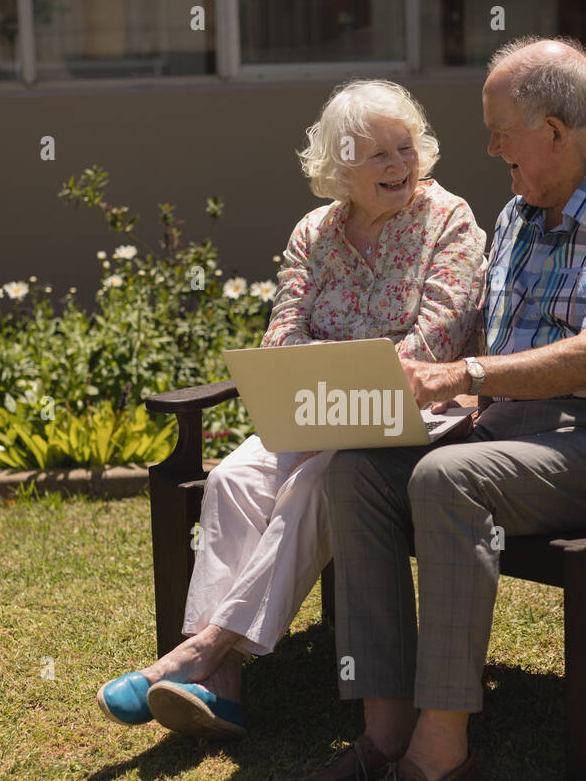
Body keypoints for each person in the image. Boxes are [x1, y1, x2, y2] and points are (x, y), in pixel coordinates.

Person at [289, 37, 586, 781]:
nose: (487, 149)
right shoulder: (519, 212)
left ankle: (441, 754)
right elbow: (478, 334)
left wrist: (468, 377)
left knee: (447, 481)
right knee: (358, 470)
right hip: (510, 431)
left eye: (499, 131)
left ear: (554, 130)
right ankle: (384, 733)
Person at [97, 79, 487, 738]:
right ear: (341, 167)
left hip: (419, 418)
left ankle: (200, 652)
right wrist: (321, 391)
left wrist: (339, 386)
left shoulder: (449, 221)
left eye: (405, 147)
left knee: (314, 480)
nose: (399, 165)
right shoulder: (315, 231)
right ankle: (220, 689)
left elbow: (436, 340)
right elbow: (283, 331)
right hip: (318, 407)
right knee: (234, 478)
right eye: (378, 156)